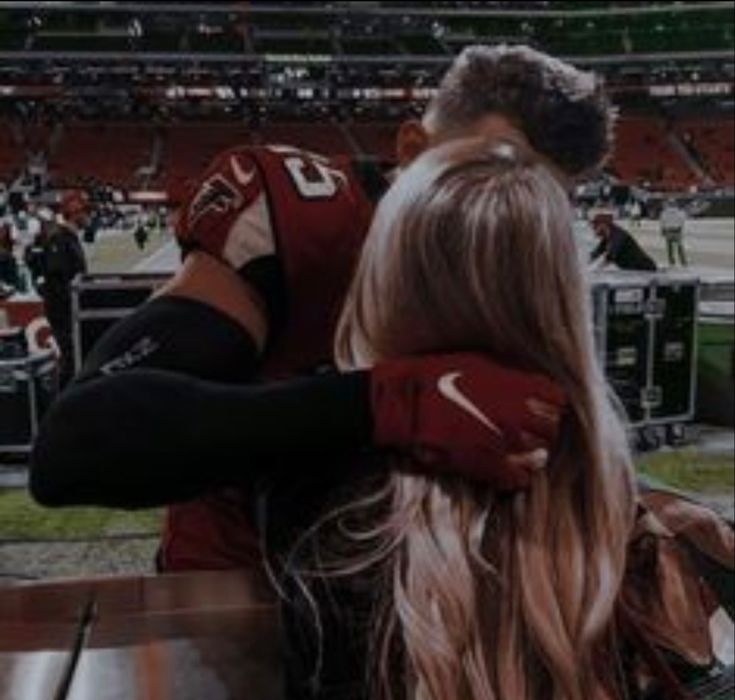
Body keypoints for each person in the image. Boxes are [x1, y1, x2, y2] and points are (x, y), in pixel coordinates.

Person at [30, 141, 733, 700]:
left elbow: (82, 447)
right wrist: (382, 403)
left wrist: (366, 406)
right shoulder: (682, 537)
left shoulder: (311, 495)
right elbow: (80, 446)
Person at [32, 44, 615, 574]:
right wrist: (391, 403)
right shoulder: (306, 221)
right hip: (242, 592)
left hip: (433, 604)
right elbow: (78, 444)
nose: (514, 211)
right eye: (487, 172)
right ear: (412, 151)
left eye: (549, 201)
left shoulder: (530, 268)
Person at [36, 192, 88, 388]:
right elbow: (58, 280)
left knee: (74, 360)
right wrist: (73, 310)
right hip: (64, 312)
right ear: (75, 212)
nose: (88, 216)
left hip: (69, 311)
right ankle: (63, 407)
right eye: (85, 211)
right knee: (71, 361)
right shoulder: (60, 239)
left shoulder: (69, 238)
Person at [589, 210, 657, 272]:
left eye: (596, 226)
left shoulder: (618, 235)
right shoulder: (607, 238)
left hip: (645, 270)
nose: (594, 229)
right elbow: (595, 253)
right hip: (634, 271)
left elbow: (610, 257)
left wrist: (595, 271)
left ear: (604, 225)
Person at [660, 199, 689, 267]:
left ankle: (671, 261)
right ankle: (683, 261)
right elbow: (682, 221)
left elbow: (662, 222)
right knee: (680, 247)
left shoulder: (664, 212)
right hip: (677, 231)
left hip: (668, 231)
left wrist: (663, 230)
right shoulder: (680, 212)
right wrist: (681, 229)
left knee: (669, 248)